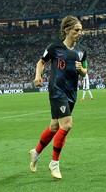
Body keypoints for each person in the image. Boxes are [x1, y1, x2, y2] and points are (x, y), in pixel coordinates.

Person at [28, 15, 87, 180]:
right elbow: (41, 62)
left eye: (81, 30)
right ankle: (54, 163)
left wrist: (81, 69)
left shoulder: (82, 51)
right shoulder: (54, 48)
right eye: (76, 30)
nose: (79, 33)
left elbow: (85, 72)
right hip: (56, 91)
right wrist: (38, 75)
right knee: (67, 125)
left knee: (55, 127)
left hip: (71, 93)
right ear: (66, 30)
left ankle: (36, 152)